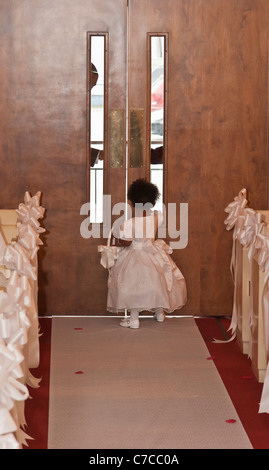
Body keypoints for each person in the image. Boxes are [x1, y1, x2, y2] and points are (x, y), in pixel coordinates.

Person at [106, 178, 187, 328]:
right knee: (157, 283)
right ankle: (159, 313)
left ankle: (134, 319)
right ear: (152, 202)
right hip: (153, 254)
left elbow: (127, 242)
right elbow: (152, 235)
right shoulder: (156, 218)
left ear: (131, 202)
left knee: (133, 285)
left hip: (134, 255)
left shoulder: (129, 223)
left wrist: (117, 239)